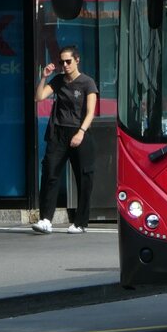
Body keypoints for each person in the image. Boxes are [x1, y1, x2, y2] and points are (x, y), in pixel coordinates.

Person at [32, 45, 98, 234]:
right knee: (50, 173)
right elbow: (39, 97)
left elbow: (90, 111)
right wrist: (44, 76)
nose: (65, 65)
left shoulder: (87, 83)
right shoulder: (59, 80)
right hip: (59, 133)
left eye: (68, 61)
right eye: (62, 62)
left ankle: (80, 222)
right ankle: (45, 219)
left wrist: (81, 132)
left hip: (80, 133)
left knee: (84, 177)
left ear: (77, 60)